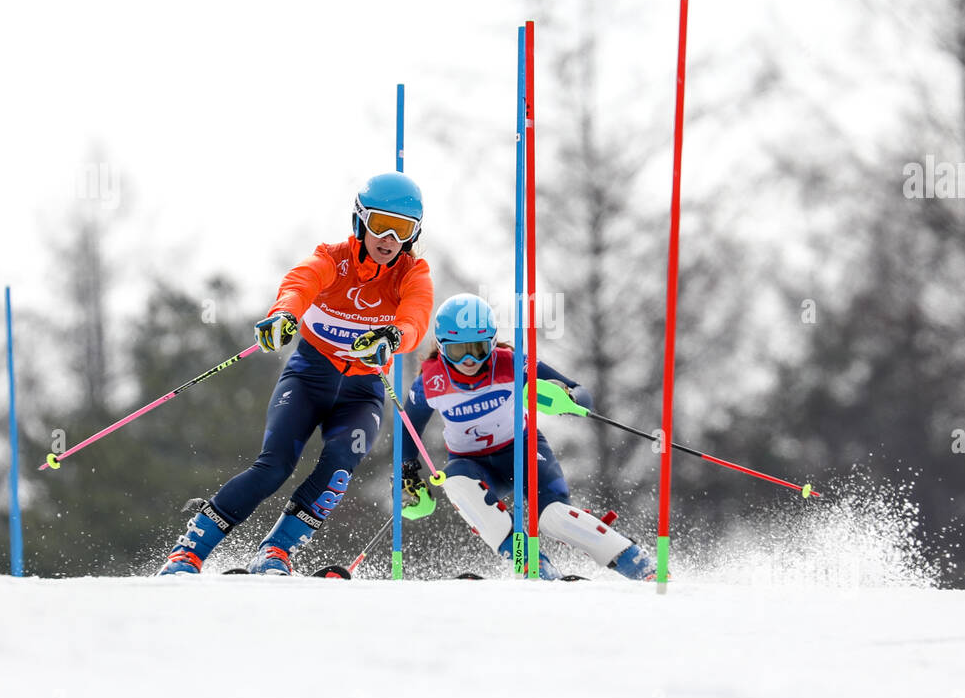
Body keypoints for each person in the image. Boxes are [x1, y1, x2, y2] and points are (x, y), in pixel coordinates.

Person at [157, 173, 434, 575]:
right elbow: (299, 284)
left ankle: (276, 552)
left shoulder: (412, 273)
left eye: (402, 229)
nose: (389, 238)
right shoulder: (332, 258)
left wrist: (394, 335)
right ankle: (190, 551)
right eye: (380, 224)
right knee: (274, 466)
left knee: (339, 466)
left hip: (363, 391)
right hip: (309, 378)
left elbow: (416, 317)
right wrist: (283, 315)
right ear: (359, 220)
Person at [400, 293, 658, 581]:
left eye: (479, 348)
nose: (471, 360)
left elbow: (582, 395)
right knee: (455, 483)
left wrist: (568, 398)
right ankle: (531, 563)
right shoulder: (430, 383)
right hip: (471, 463)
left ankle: (637, 564)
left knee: (553, 518)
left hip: (522, 451)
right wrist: (407, 473)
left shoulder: (512, 364)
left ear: (493, 343)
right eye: (460, 352)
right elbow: (407, 430)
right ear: (442, 348)